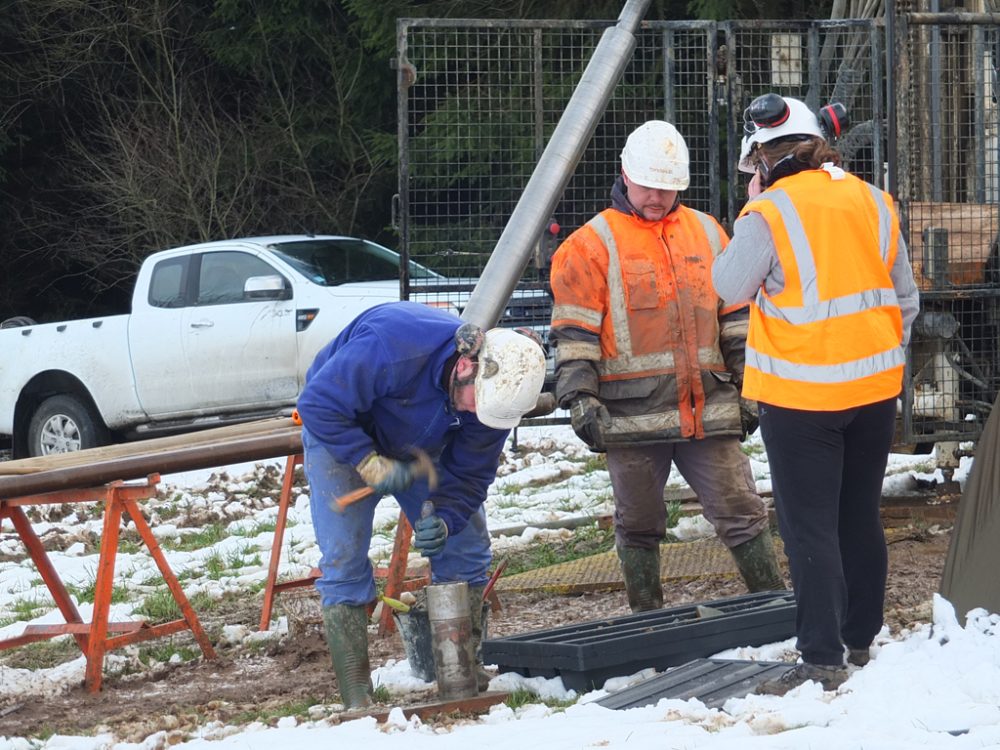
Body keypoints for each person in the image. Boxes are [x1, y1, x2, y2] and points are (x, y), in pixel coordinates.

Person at [712, 94, 919, 694]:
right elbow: (904, 299)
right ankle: (859, 639)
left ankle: (821, 658)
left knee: (809, 528)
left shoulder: (770, 212)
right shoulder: (873, 201)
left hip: (801, 398)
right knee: (858, 515)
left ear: (763, 158)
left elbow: (727, 285)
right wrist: (879, 353)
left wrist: (750, 210)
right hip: (874, 390)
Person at [547, 120, 784, 615]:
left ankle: (773, 609)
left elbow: (736, 319)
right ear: (624, 175)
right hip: (628, 418)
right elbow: (575, 335)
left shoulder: (707, 231)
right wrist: (581, 399)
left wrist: (751, 385)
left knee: (741, 509)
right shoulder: (590, 246)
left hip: (710, 409)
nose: (657, 196)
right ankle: (647, 618)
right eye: (648, 185)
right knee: (638, 521)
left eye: (668, 187)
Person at [295, 301, 547, 709]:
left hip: (422, 445)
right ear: (466, 367)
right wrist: (368, 461)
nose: (475, 414)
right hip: (342, 432)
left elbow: (469, 477)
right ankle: (357, 694)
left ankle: (461, 675)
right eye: (472, 404)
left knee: (464, 547)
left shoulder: (493, 401)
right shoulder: (394, 343)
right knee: (343, 558)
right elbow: (319, 405)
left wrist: (446, 519)